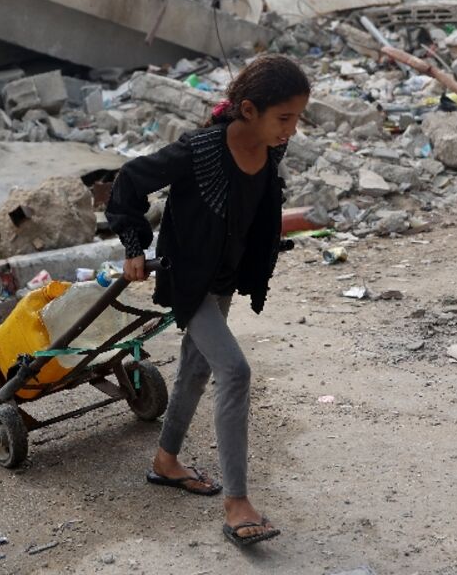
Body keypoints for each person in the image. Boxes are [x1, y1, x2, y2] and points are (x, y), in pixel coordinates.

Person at [106, 54, 311, 548]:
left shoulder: (268, 150)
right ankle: (237, 501)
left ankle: (165, 461)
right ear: (247, 110)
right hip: (187, 278)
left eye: (297, 119)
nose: (292, 130)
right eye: (284, 119)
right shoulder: (199, 150)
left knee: (196, 370)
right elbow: (129, 181)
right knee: (234, 371)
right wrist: (135, 247)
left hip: (223, 278)